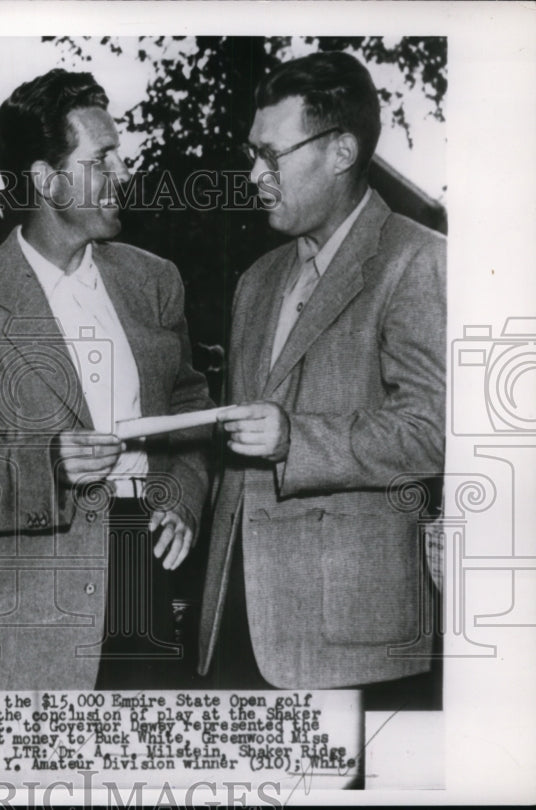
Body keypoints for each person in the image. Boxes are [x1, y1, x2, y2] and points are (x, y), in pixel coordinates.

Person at [0, 69, 214, 690]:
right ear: (46, 181)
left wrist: (181, 498)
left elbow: (191, 405)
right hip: (28, 616)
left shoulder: (154, 281)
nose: (121, 174)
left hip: (145, 584)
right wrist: (49, 463)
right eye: (101, 160)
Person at [197, 51, 446, 699]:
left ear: (340, 152)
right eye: (252, 153)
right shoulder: (255, 282)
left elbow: (433, 432)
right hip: (235, 634)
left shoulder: (416, 261)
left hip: (353, 646)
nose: (254, 175)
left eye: (271, 155)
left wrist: (293, 440)